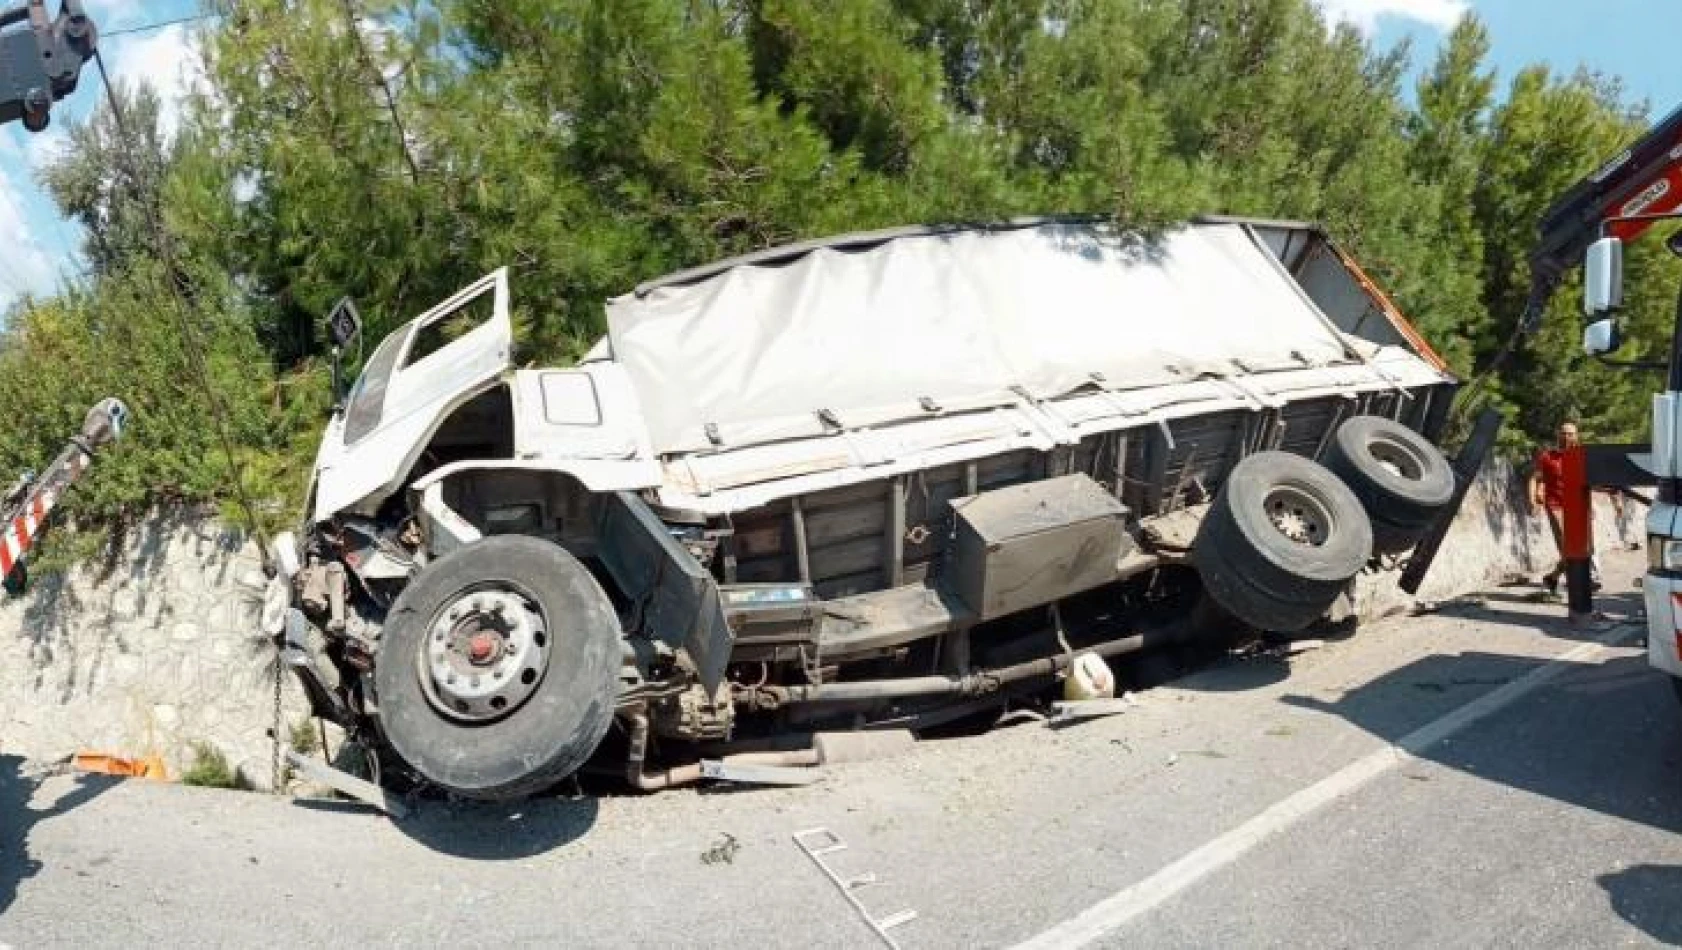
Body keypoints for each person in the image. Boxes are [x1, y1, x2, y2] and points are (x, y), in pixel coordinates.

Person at [1529, 420, 1600, 595]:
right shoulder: (1547, 457)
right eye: (1564, 433)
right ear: (1558, 435)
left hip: (1579, 507)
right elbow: (1534, 479)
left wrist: (1595, 504)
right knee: (1569, 548)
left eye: (1570, 433)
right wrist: (1533, 500)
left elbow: (1590, 483)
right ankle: (1581, 585)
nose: (1567, 436)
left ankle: (1552, 578)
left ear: (1577, 436)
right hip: (1556, 506)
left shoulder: (1582, 456)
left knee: (1584, 547)